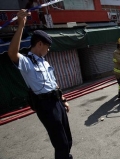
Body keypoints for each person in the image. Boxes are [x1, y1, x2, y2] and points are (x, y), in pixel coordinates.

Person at [8, 10, 73, 159]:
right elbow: (12, 53)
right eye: (47, 46)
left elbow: (53, 82)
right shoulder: (26, 62)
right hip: (45, 106)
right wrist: (21, 26)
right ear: (39, 44)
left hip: (56, 102)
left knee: (67, 138)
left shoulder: (44, 61)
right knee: (60, 142)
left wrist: (63, 100)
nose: (48, 50)